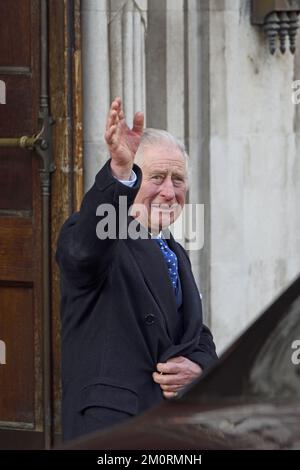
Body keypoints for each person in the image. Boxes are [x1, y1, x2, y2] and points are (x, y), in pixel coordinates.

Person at [56, 97, 218, 441]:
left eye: (178, 179)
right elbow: (85, 252)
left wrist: (200, 368)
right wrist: (119, 171)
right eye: (156, 177)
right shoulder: (99, 235)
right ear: (132, 182)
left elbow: (195, 334)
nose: (169, 191)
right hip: (113, 430)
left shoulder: (175, 251)